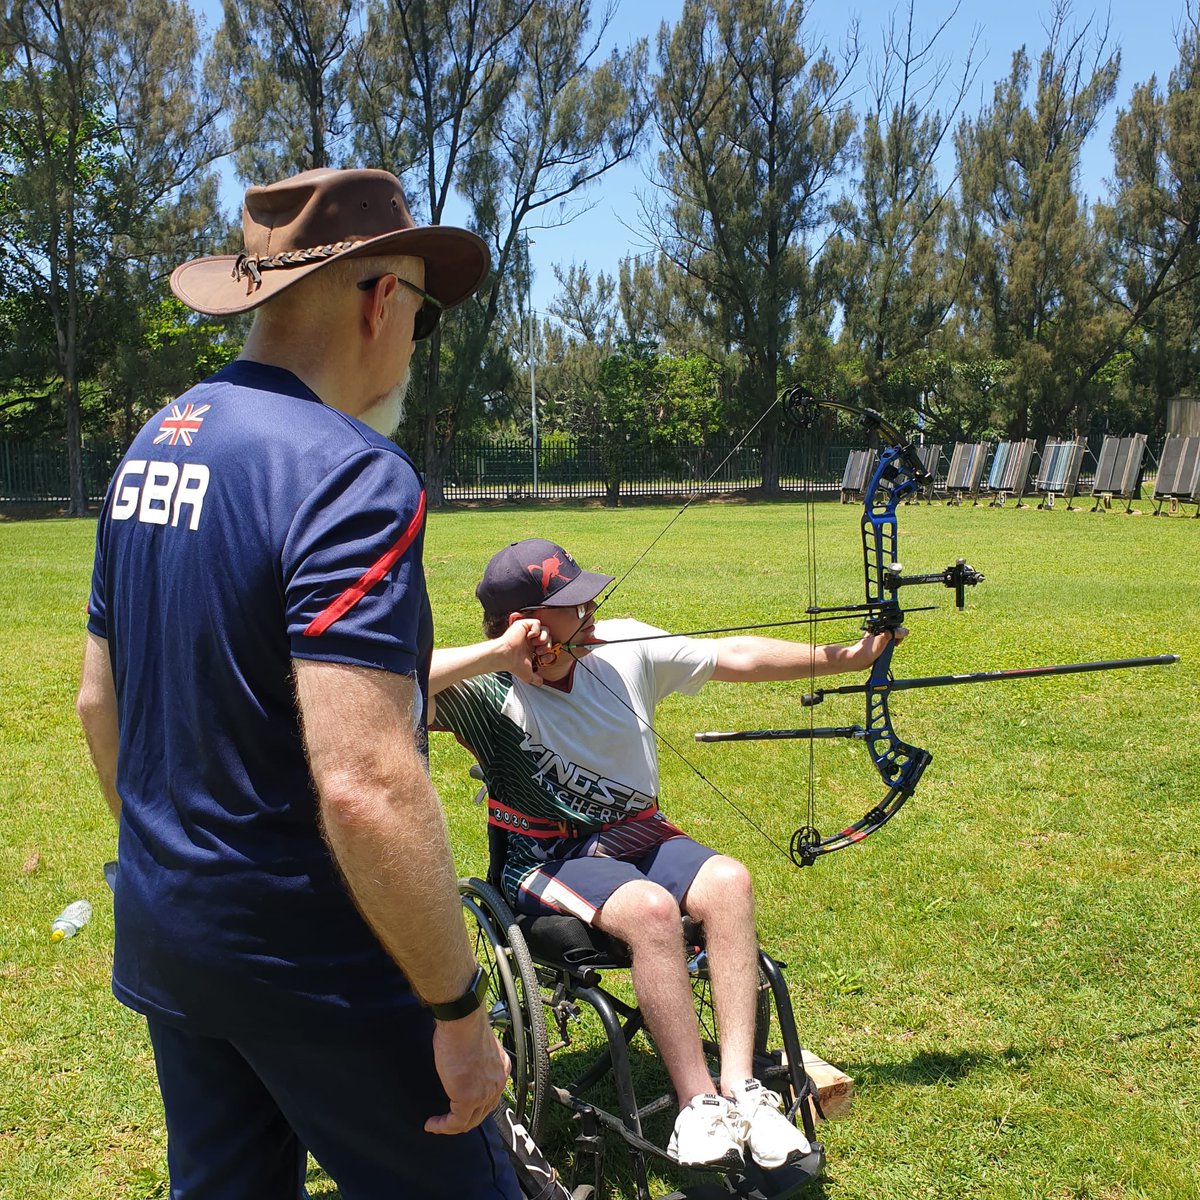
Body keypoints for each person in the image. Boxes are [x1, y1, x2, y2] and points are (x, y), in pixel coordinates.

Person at [75, 168, 520, 1200]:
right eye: (426, 314)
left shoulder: (153, 442)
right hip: (317, 961)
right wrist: (458, 1013)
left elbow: (102, 705)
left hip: (173, 936)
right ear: (382, 301)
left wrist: (187, 872)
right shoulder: (351, 472)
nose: (416, 339)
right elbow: (364, 780)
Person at [428, 538, 908, 1173]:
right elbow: (389, 677)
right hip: (552, 858)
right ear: (530, 626)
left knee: (729, 881)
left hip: (638, 835)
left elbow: (733, 654)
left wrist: (850, 656)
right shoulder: (486, 694)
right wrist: (497, 654)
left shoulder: (622, 648)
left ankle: (743, 1092)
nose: (593, 608)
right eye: (575, 603)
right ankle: (697, 1106)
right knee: (653, 912)